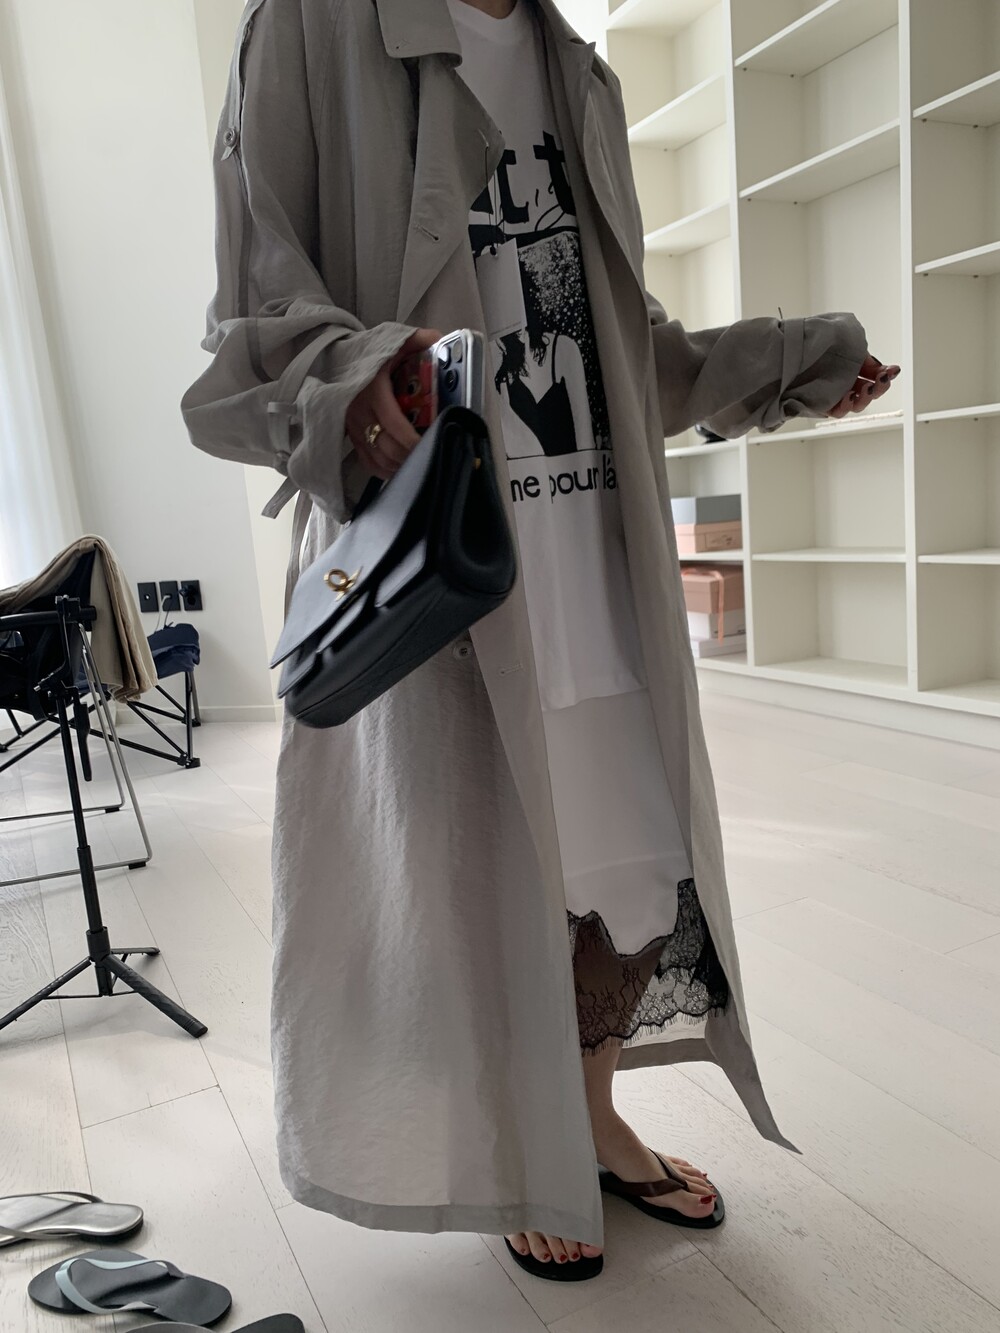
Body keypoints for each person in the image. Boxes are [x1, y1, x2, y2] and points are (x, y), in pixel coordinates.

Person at [181, 0, 900, 1282]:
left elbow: (618, 352)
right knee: (478, 866)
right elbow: (253, 323)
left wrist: (791, 363)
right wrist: (365, 377)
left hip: (597, 550)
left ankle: (588, 1114)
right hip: (447, 556)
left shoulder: (579, 73)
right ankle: (521, 1140)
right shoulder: (307, 27)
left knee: (633, 860)